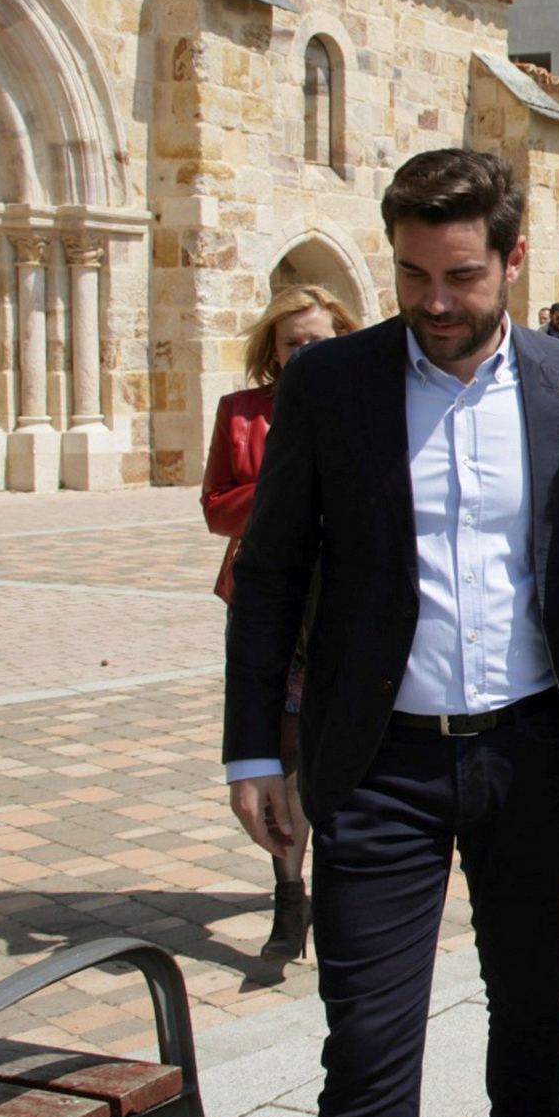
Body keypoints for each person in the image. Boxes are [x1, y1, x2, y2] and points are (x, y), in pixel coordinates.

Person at [223, 148, 559, 1117]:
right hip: (377, 763)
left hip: (530, 754)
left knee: (533, 1008)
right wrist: (252, 751)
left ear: (514, 259)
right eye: (413, 274)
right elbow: (271, 571)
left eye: (461, 275)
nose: (435, 301)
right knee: (367, 1039)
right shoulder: (331, 384)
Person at [202, 283, 358, 963]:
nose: (305, 353)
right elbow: (217, 507)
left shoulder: (366, 405)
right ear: (272, 350)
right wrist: (286, 488)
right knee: (284, 749)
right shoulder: (242, 413)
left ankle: (346, 889)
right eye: (293, 343)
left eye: (318, 341)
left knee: (347, 749)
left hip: (346, 600)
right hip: (273, 602)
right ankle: (289, 895)